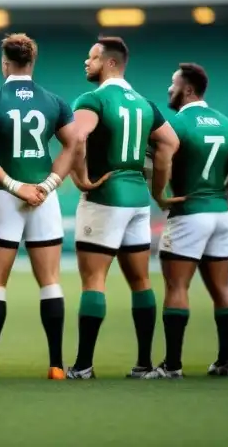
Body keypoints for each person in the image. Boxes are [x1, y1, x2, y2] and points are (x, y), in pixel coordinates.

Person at [67, 37, 180, 379]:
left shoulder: (92, 99)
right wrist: (157, 189)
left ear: (110, 63)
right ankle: (144, 364)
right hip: (137, 199)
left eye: (92, 58)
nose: (86, 63)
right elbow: (170, 143)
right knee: (141, 281)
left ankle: (83, 365)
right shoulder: (145, 104)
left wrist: (80, 177)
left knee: (94, 280)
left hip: (105, 196)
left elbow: (77, 137)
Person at [0, 33, 78, 380]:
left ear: (5, 63)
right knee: (50, 283)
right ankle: (57, 366)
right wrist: (46, 185)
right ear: (32, 62)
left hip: (4, 197)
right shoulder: (54, 101)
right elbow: (73, 146)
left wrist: (15, 186)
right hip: (44, 199)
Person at [149, 63, 228, 379]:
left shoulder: (176, 124)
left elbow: (162, 159)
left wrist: (159, 195)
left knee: (177, 286)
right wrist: (226, 189)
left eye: (172, 84)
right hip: (220, 212)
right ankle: (225, 361)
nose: (168, 89)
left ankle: (172, 365)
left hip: (189, 212)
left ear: (188, 89)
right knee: (222, 288)